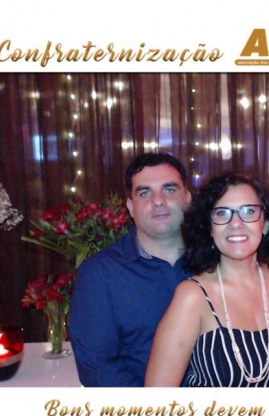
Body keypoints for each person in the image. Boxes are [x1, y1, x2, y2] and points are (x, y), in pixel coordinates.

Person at [145, 172, 269, 387]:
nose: (236, 223)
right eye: (222, 213)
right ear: (209, 228)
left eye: (248, 211)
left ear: (265, 224)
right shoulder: (193, 296)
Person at [69, 153, 192, 386]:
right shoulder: (99, 274)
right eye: (144, 193)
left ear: (187, 198)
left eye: (169, 189)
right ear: (130, 207)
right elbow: (98, 368)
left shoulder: (216, 262)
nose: (158, 201)